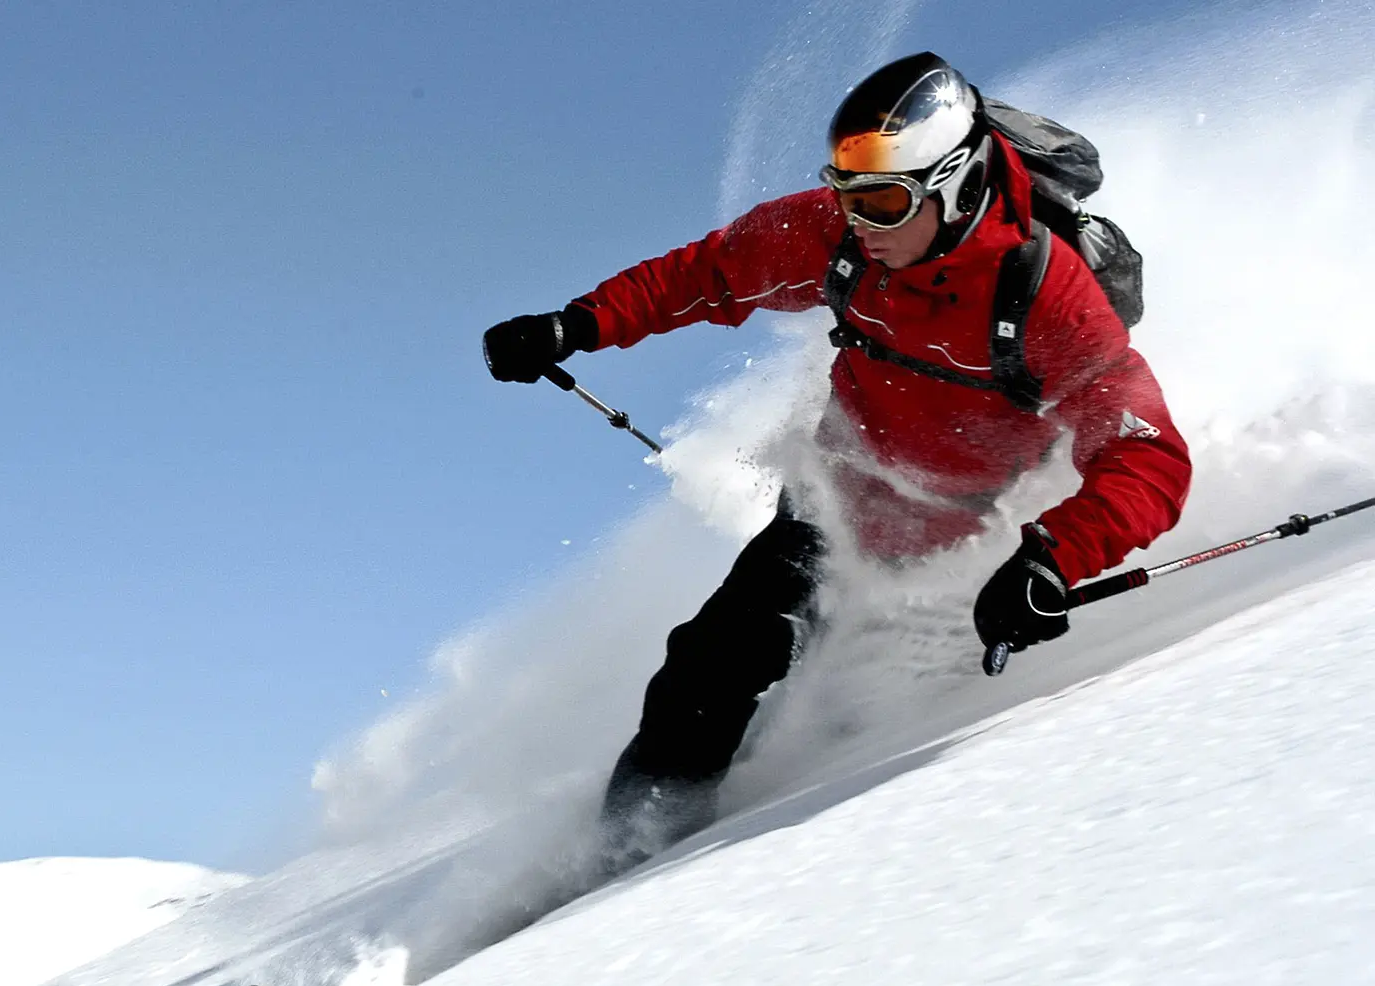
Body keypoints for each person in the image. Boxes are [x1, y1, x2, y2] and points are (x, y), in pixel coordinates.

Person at [481, 53, 1192, 859]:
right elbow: (713, 272)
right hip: (834, 506)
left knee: (851, 706)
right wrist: (577, 325)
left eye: (884, 202)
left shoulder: (1047, 296)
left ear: (955, 184)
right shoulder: (845, 235)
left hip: (961, 553)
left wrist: (1052, 559)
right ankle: (622, 856)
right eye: (847, 196)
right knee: (709, 669)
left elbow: (1149, 456)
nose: (859, 222)